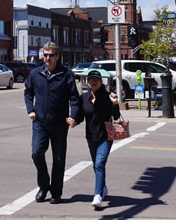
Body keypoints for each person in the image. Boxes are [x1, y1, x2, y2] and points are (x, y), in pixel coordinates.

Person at [24, 42, 80, 204]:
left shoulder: (66, 73)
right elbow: (28, 92)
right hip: (40, 122)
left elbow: (74, 98)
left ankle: (56, 192)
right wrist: (30, 110)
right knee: (36, 153)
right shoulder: (36, 73)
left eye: (51, 55)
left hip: (59, 124)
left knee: (59, 158)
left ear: (57, 56)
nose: (47, 58)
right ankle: (43, 186)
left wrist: (74, 116)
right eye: (45, 55)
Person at [69, 70, 120, 208]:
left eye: (96, 79)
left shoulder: (108, 96)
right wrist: (73, 121)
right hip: (91, 136)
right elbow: (81, 116)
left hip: (106, 136)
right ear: (87, 82)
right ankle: (103, 188)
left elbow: (116, 117)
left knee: (99, 164)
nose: (94, 81)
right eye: (91, 79)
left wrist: (115, 103)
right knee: (96, 165)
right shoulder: (84, 97)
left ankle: (97, 195)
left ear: (101, 82)